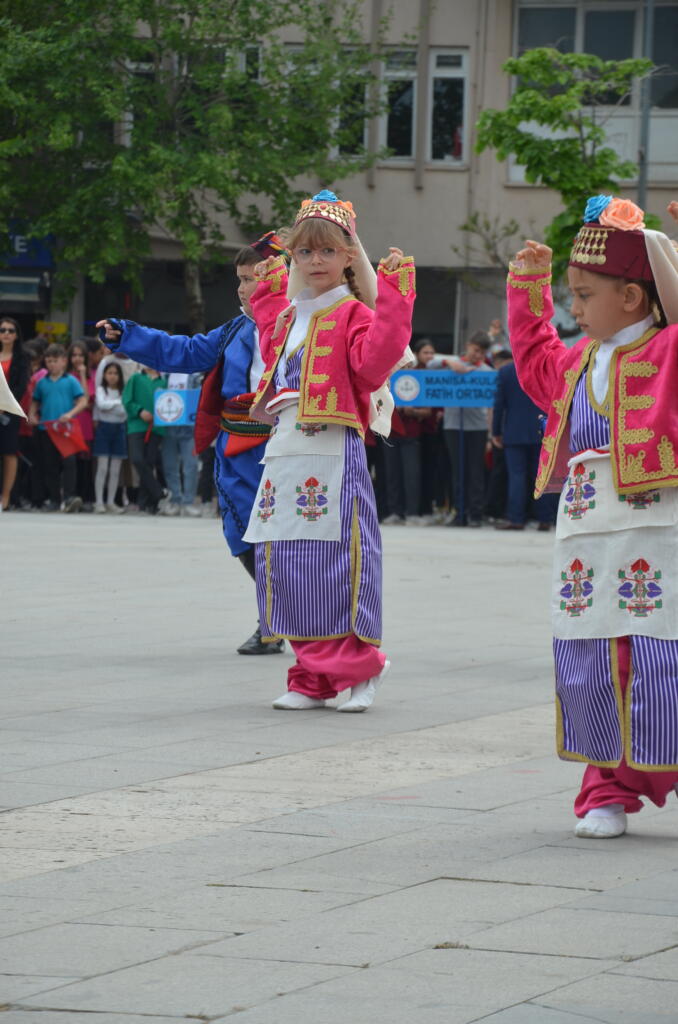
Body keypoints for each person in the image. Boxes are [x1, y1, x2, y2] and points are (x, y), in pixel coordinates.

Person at [507, 194, 678, 839]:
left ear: (632, 296)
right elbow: (533, 358)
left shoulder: (671, 349)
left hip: (659, 529)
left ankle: (655, 767)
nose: (572, 308)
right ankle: (604, 786)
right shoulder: (577, 361)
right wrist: (526, 290)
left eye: (583, 295)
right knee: (588, 657)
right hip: (584, 530)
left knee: (658, 657)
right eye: (569, 295)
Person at [244, 189, 415, 711]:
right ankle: (310, 677)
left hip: (333, 452)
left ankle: (362, 666)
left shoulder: (354, 314)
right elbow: (269, 351)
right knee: (283, 563)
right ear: (293, 257)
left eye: (326, 250)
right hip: (284, 452)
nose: (315, 261)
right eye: (304, 251)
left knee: (335, 566)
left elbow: (373, 366)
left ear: (347, 256)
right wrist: (265, 296)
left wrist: (395, 301)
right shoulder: (285, 318)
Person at [96, 234, 287, 655]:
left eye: (250, 279)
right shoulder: (235, 329)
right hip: (236, 446)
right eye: (239, 279)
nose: (241, 288)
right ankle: (277, 613)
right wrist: (127, 336)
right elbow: (183, 351)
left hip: (286, 444)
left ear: (278, 278)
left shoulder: (300, 327)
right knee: (241, 531)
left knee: (286, 537)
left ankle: (280, 620)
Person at [430, 332, 493, 527]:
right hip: (453, 425)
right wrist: (450, 363)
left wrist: (490, 434)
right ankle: (459, 512)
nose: (477, 355)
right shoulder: (453, 363)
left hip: (478, 427)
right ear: (468, 345)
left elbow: (492, 404)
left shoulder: (487, 372)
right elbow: (430, 364)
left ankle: (475, 514)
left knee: (475, 472)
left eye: (482, 353)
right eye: (475, 350)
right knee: (457, 471)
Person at [491, 353, 553, 531]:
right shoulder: (544, 368)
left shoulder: (506, 371)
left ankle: (516, 518)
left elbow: (499, 404)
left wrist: (496, 431)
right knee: (541, 476)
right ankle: (545, 519)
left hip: (514, 431)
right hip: (541, 429)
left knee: (516, 476)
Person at [29, 343, 88, 512]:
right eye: (49, 361)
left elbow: (83, 401)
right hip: (47, 429)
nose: (52, 364)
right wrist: (32, 415)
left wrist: (70, 414)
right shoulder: (42, 383)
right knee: (50, 465)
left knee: (70, 463)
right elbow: (35, 402)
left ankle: (69, 497)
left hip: (65, 430)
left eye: (55, 361)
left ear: (64, 361)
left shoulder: (71, 381)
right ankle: (54, 499)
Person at [122, 364, 168, 514]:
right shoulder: (136, 378)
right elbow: (127, 400)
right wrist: (140, 411)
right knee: (137, 459)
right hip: (136, 426)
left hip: (157, 427)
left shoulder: (164, 381)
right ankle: (158, 491)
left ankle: (146, 504)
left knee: (149, 463)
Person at [159, 372, 202, 517]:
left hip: (189, 427)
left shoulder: (194, 376)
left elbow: (199, 398)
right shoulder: (165, 376)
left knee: (191, 465)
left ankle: (188, 502)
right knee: (170, 465)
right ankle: (175, 500)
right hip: (168, 425)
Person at [0, 316, 29, 511]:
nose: (6, 334)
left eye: (10, 330)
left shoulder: (21, 358)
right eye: (2, 330)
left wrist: (4, 405)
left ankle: (6, 496)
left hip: (9, 412)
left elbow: (21, 386)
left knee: (9, 453)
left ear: (16, 335)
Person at [93, 360, 127, 513]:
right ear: (104, 375)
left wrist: (111, 405)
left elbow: (124, 411)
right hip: (104, 428)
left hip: (119, 428)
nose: (112, 376)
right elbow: (101, 405)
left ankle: (111, 501)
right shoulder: (101, 389)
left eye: (115, 373)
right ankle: (99, 502)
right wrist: (117, 404)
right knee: (102, 467)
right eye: (109, 373)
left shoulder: (123, 391)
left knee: (115, 470)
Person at [67, 340, 96, 509]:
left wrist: (83, 375)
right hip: (69, 423)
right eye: (74, 355)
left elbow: (86, 399)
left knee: (85, 463)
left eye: (80, 355)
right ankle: (71, 496)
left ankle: (85, 499)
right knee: (71, 463)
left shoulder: (91, 376)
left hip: (85, 424)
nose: (77, 359)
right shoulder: (66, 376)